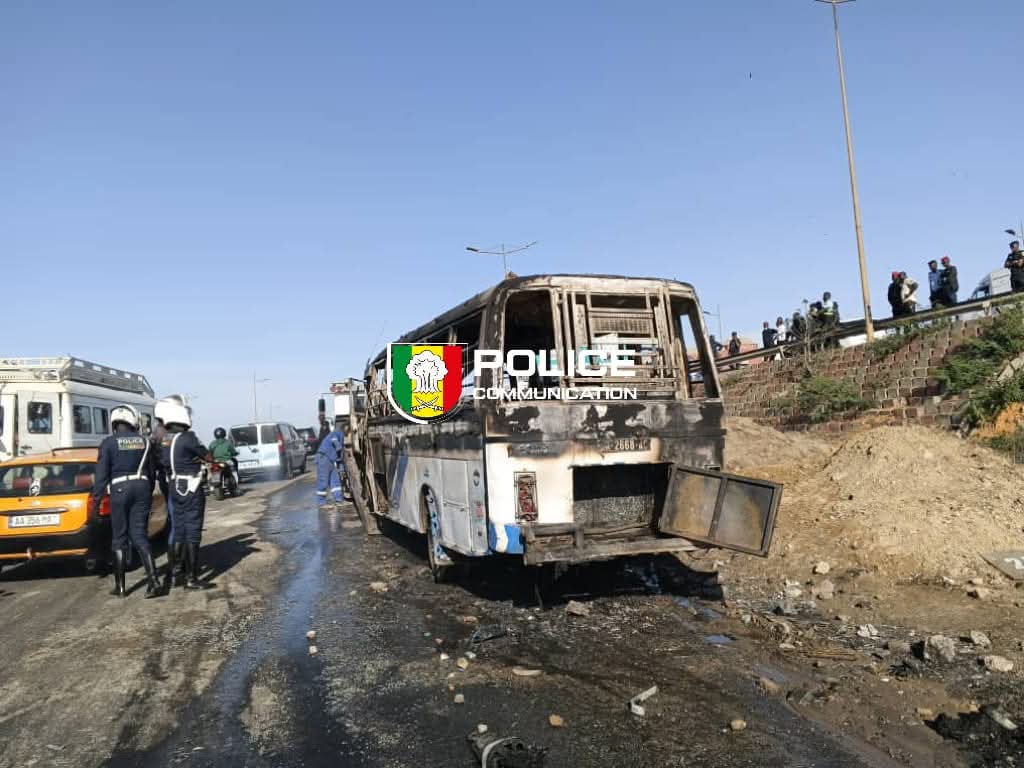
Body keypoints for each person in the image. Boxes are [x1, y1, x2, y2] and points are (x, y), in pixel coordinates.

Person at [93, 405, 161, 598]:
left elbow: (101, 475)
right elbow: (152, 470)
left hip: (119, 489)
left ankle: (121, 587)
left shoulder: (108, 443)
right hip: (142, 487)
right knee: (140, 535)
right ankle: (154, 582)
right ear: (133, 421)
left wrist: (97, 500)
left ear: (114, 423)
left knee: (119, 538)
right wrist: (146, 492)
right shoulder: (145, 442)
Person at [156, 396, 211, 591]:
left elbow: (163, 462)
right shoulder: (189, 438)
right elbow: (207, 455)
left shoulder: (166, 439)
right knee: (193, 532)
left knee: (179, 530)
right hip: (190, 488)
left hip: (174, 487)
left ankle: (176, 572)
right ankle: (191, 578)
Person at [316, 416, 346, 506]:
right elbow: (334, 440)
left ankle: (339, 500)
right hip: (323, 458)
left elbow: (339, 457)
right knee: (323, 481)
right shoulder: (337, 433)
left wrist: (341, 469)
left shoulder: (341, 435)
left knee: (335, 480)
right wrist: (338, 447)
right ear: (345, 428)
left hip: (330, 460)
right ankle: (322, 502)